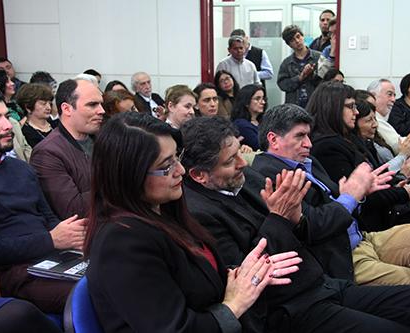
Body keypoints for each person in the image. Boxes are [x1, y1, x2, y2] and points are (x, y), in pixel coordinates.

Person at [182, 116, 410, 333]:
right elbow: (249, 273)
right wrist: (283, 216)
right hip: (291, 306)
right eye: (231, 161)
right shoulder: (199, 214)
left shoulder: (248, 179)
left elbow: (304, 224)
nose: (243, 162)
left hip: (321, 283)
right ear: (200, 175)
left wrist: (295, 217)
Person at [255, 102, 410, 327]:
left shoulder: (307, 161)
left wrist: (362, 192)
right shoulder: (270, 176)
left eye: (308, 135)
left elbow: (340, 198)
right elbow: (310, 226)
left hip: (362, 236)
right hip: (339, 254)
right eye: (300, 136)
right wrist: (352, 196)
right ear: (273, 139)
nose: (308, 144)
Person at [85, 112, 299, 332]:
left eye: (177, 157)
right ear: (129, 175)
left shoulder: (165, 211)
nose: (181, 170)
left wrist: (244, 274)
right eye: (167, 166)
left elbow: (197, 280)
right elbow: (177, 328)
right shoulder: (122, 243)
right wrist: (234, 305)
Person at [0, 88, 87, 313]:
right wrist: (51, 240)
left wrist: (73, 234)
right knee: (92, 293)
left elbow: (47, 217)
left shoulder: (20, 168)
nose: (8, 125)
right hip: (14, 273)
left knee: (119, 272)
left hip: (51, 259)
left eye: (7, 116)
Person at [30, 79, 105, 220]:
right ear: (67, 109)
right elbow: (74, 210)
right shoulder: (47, 153)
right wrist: (118, 181)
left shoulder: (103, 139)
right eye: (92, 104)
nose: (101, 110)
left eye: (101, 104)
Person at [277, 25, 322, 108]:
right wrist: (300, 77)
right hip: (294, 106)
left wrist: (311, 74)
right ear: (289, 44)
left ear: (302, 36)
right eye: (292, 40)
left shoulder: (318, 57)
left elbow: (325, 82)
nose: (297, 41)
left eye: (298, 36)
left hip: (315, 105)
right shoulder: (286, 63)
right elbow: (282, 84)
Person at [17, 83, 58, 148]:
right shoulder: (25, 133)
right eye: (43, 104)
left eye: (50, 103)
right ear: (28, 107)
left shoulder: (57, 125)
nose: (48, 107)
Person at [231, 84, 266, 151]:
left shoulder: (263, 120)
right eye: (257, 99)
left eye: (263, 98)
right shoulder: (241, 124)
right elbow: (262, 146)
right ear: (246, 102)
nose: (263, 102)